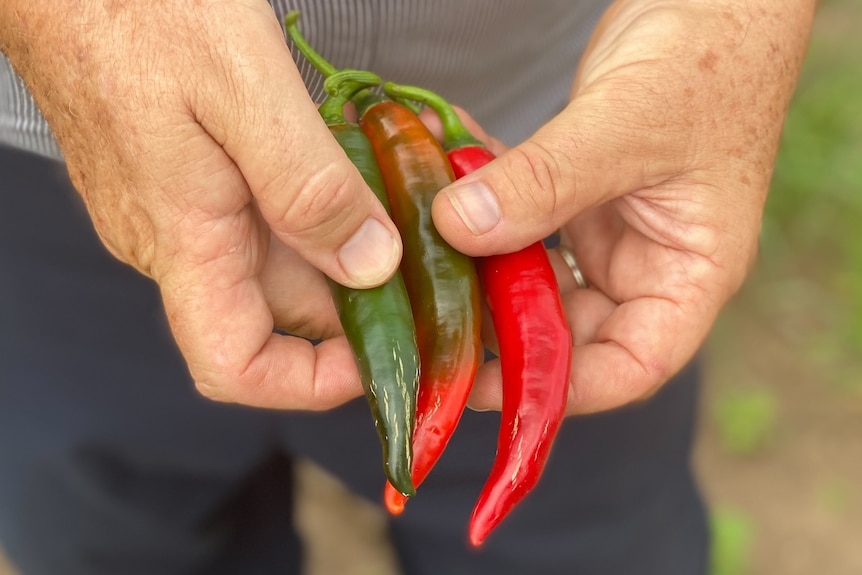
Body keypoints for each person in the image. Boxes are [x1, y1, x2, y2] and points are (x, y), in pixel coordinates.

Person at [0, 0, 815, 573]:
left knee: (586, 548)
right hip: (68, 153)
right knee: (111, 542)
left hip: (575, 138)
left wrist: (744, 15)